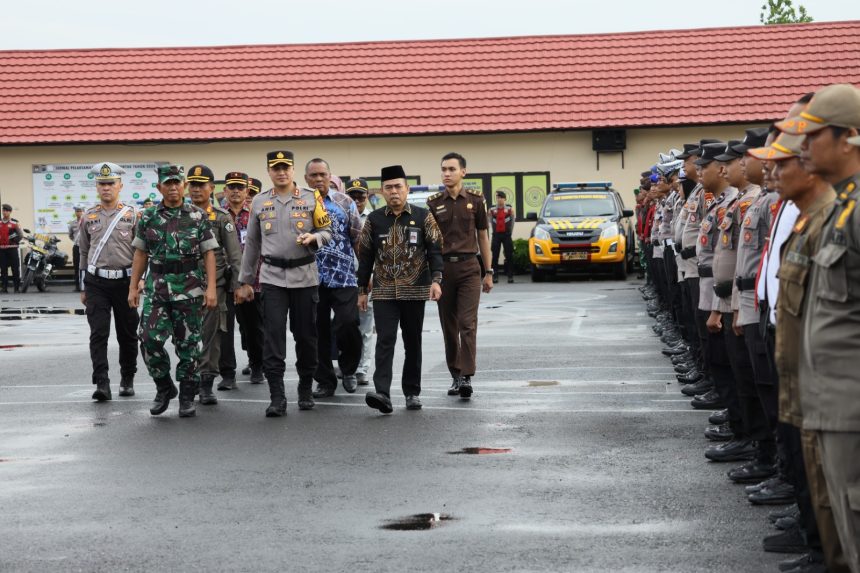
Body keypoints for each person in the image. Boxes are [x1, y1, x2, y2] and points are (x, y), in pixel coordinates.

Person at [781, 83, 860, 573]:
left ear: (849, 136)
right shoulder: (839, 211)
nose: (801, 147)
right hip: (831, 408)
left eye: (812, 136)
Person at [235, 150, 332, 417]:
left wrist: (315, 238)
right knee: (273, 338)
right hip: (272, 278)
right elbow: (252, 244)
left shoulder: (312, 198)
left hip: (304, 277)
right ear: (269, 171)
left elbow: (327, 230)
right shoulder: (259, 202)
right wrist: (244, 281)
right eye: (275, 168)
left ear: (292, 170)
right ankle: (277, 396)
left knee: (306, 336)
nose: (281, 172)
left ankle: (304, 388)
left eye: (285, 167)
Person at [128, 164, 218, 418]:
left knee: (189, 344)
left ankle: (188, 395)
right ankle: (164, 386)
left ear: (184, 186)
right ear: (159, 187)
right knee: (148, 339)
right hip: (157, 289)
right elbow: (140, 253)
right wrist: (133, 287)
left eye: (177, 182)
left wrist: (211, 288)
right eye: (167, 183)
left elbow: (209, 253)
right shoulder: (148, 217)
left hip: (189, 289)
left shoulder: (198, 216)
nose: (173, 187)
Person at [357, 165, 443, 414]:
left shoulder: (423, 215)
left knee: (412, 342)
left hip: (415, 290)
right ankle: (382, 393)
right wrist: (362, 290)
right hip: (384, 291)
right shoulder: (374, 220)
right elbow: (365, 257)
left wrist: (437, 280)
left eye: (398, 187)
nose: (394, 191)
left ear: (406, 188)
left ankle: (412, 392)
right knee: (385, 340)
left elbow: (435, 250)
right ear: (382, 192)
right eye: (388, 188)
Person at [426, 152, 492, 399]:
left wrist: (489, 271)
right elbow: (431, 243)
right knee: (449, 327)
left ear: (463, 172)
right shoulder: (433, 203)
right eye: (443, 169)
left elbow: (483, 237)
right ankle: (455, 374)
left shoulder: (476, 200)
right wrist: (433, 276)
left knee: (467, 323)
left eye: (452, 169)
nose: (446, 173)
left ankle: (467, 376)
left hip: (468, 269)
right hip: (444, 270)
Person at [78, 162, 141, 401]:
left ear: (120, 186)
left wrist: (139, 282)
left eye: (110, 183)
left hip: (125, 282)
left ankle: (127, 377)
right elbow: (83, 253)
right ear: (96, 187)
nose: (106, 188)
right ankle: (102, 383)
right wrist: (84, 284)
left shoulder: (133, 215)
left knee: (127, 333)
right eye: (102, 184)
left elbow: (141, 252)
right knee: (99, 333)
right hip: (97, 283)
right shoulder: (89, 216)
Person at [302, 158, 363, 398]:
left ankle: (348, 369)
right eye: (313, 175)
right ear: (306, 179)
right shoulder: (299, 204)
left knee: (348, 323)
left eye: (322, 175)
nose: (318, 179)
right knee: (316, 331)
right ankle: (325, 380)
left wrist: (365, 274)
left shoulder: (345, 202)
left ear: (330, 176)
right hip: (310, 277)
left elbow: (357, 237)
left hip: (344, 275)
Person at [185, 165, 242, 404]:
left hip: (214, 285)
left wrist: (239, 285)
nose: (197, 189)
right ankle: (189, 380)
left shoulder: (221, 217)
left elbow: (234, 253)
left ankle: (206, 382)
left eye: (201, 185)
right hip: (183, 286)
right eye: (193, 184)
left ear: (212, 188)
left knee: (211, 336)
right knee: (186, 336)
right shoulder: (179, 214)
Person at [220, 171, 265, 386]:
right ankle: (227, 374)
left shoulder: (257, 214)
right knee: (225, 329)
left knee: (253, 327)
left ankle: (257, 365)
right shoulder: (218, 214)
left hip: (252, 280)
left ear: (247, 191)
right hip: (224, 281)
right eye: (232, 187)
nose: (236, 191)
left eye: (240, 188)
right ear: (225, 191)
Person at [346, 177, 374, 386]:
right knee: (344, 326)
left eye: (360, 196)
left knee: (365, 327)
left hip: (367, 280)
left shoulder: (373, 219)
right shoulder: (340, 215)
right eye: (352, 196)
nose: (356, 200)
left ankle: (362, 369)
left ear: (367, 197)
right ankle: (347, 365)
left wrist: (371, 275)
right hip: (343, 279)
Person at [488, 190, 515, 283]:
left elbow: (512, 222)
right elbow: (490, 221)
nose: (499, 200)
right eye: (498, 198)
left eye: (501, 198)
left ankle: (510, 276)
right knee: (494, 256)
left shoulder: (510, 209)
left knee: (509, 256)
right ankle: (495, 277)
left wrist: (509, 233)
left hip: (507, 235)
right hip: (496, 235)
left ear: (505, 199)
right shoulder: (491, 209)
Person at [0, 203, 22, 293]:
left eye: (6, 211)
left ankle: (16, 288)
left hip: (12, 249)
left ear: (10, 212)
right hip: (1, 249)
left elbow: (20, 235)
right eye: (3, 210)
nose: (4, 212)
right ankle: (4, 288)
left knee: (15, 268)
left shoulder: (14, 223)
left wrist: (14, 240)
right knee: (3, 269)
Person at [69, 205, 84, 292]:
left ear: (83, 212)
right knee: (76, 266)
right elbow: (70, 235)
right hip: (76, 247)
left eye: (80, 211)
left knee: (86, 266)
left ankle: (86, 285)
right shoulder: (73, 223)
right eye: (77, 211)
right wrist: (76, 241)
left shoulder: (86, 221)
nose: (78, 213)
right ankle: (77, 286)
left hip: (86, 248)